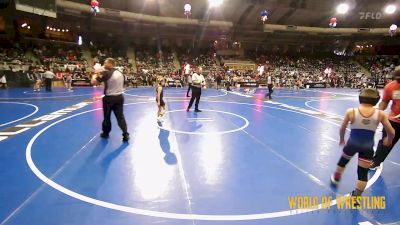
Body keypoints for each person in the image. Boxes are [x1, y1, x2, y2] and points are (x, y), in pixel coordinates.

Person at [330, 88, 394, 198]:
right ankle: (356, 195)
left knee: (342, 162)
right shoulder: (380, 114)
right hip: (368, 147)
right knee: (363, 173)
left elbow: (342, 128)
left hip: (351, 144)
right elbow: (391, 131)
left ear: (360, 98)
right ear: (376, 100)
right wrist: (389, 140)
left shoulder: (351, 112)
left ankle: (336, 177)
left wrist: (341, 139)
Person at [91, 58, 130, 142]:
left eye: (105, 63)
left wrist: (95, 73)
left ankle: (105, 133)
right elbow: (124, 85)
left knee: (107, 117)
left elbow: (94, 82)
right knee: (120, 117)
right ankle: (125, 134)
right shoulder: (120, 73)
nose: (104, 65)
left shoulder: (107, 73)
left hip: (109, 98)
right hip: (119, 97)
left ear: (110, 64)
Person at [372, 66, 400, 169]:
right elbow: (384, 103)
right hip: (394, 120)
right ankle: (375, 162)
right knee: (386, 141)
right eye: (396, 77)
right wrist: (378, 112)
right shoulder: (390, 87)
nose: (398, 79)